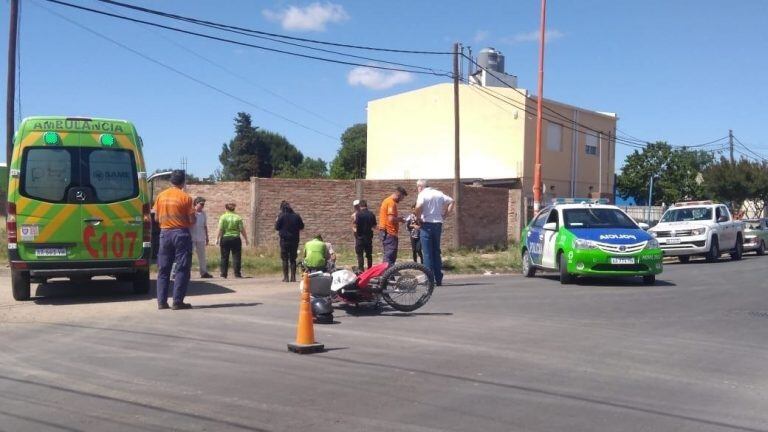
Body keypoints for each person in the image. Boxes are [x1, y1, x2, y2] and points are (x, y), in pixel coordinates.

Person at [154, 170, 195, 310]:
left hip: (164, 234)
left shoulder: (160, 196)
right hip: (181, 234)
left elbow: (155, 218)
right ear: (183, 182)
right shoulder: (186, 198)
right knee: (182, 268)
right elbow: (192, 220)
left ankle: (161, 302)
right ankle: (177, 301)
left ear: (171, 181)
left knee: (163, 269)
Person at [414, 179, 454, 286]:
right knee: (436, 251)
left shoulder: (422, 194)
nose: (417, 189)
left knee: (427, 253)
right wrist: (445, 215)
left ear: (420, 186)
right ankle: (438, 277)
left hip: (426, 224)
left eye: (417, 187)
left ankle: (429, 277)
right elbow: (451, 201)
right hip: (438, 224)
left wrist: (418, 218)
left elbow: (418, 207)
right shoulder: (439, 193)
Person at [216, 202, 249, 279]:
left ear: (226, 209)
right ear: (234, 209)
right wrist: (246, 239)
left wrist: (217, 238)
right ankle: (237, 274)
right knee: (236, 256)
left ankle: (223, 274)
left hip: (225, 238)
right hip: (236, 238)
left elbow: (220, 228)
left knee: (224, 256)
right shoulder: (238, 217)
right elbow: (242, 229)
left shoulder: (223, 217)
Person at [275, 201, 305, 282]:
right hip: (294, 240)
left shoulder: (281, 216)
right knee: (293, 259)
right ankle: (293, 277)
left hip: (284, 241)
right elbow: (302, 226)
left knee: (285, 259)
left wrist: (277, 220)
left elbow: (276, 227)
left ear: (282, 209)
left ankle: (286, 277)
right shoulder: (296, 216)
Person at [379, 186, 407, 266]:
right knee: (390, 255)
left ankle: (389, 274)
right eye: (402, 197)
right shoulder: (391, 203)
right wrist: (400, 219)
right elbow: (391, 219)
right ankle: (387, 275)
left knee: (389, 254)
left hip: (386, 232)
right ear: (398, 194)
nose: (401, 200)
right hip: (389, 232)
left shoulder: (387, 201)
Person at [191, 197, 213, 278]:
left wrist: (207, 237)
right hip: (191, 237)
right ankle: (185, 272)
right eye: (201, 204)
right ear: (196, 203)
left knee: (202, 256)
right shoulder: (191, 212)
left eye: (203, 204)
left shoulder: (203, 214)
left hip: (201, 237)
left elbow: (205, 226)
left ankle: (204, 272)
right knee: (188, 255)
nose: (202, 206)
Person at [354, 199, 377, 271]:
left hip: (360, 237)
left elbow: (355, 225)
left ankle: (361, 270)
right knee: (369, 255)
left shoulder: (358, 214)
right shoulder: (371, 214)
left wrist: (356, 232)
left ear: (360, 206)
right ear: (366, 205)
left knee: (360, 254)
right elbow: (374, 226)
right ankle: (370, 269)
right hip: (368, 237)